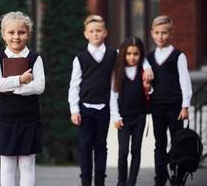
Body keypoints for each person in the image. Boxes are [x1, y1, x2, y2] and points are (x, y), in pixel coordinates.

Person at [68, 15, 153, 186]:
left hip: (104, 108)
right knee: (85, 146)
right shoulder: (80, 58)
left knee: (101, 146)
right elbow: (74, 85)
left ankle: (100, 181)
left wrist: (147, 66)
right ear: (86, 34)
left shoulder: (113, 55)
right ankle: (85, 181)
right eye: (92, 31)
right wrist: (74, 110)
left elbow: (135, 55)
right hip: (84, 108)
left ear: (105, 33)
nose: (96, 34)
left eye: (99, 31)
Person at [0, 11, 45, 186]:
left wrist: (12, 88)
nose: (16, 37)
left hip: (29, 119)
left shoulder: (35, 59)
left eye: (21, 32)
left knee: (28, 166)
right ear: (3, 34)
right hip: (5, 120)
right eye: (11, 32)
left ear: (28, 34)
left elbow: (39, 86)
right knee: (7, 167)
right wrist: (20, 80)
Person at [147, 15, 192, 186]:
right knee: (159, 144)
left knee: (177, 143)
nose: (160, 36)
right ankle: (160, 178)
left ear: (171, 34)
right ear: (152, 33)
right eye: (157, 33)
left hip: (175, 107)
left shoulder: (178, 56)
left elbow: (185, 81)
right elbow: (148, 85)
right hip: (156, 107)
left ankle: (178, 177)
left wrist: (185, 106)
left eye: (164, 33)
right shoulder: (149, 59)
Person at [110, 37, 152, 186]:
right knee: (123, 152)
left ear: (140, 55)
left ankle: (131, 182)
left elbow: (149, 93)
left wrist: (148, 87)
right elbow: (113, 95)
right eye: (128, 54)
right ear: (123, 54)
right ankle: (121, 182)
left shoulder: (143, 71)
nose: (132, 57)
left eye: (136, 54)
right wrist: (116, 116)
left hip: (139, 117)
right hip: (123, 118)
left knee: (136, 150)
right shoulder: (117, 71)